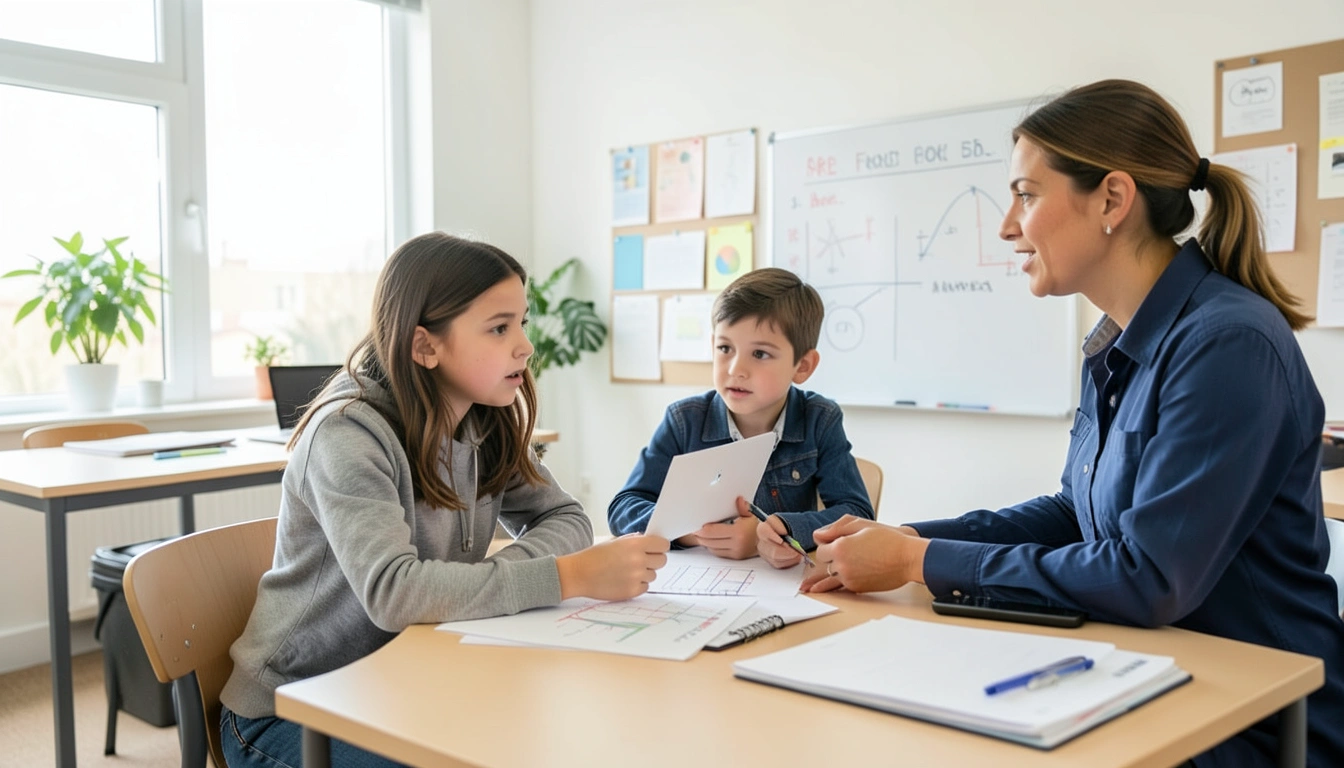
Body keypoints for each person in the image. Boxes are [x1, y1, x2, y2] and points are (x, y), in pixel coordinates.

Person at [801, 79, 1344, 767]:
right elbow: (1074, 515)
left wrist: (916, 562)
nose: (1005, 224)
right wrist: (909, 537)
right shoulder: (1119, 339)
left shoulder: (1227, 345)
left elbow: (1146, 574)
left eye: (1026, 195)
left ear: (1113, 200)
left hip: (1254, 724)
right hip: (1151, 678)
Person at [219, 233, 669, 768]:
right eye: (500, 328)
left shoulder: (482, 418)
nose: (524, 345)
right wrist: (565, 576)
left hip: (409, 679)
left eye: (521, 322)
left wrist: (519, 576)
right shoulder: (347, 435)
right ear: (425, 346)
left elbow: (564, 514)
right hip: (294, 709)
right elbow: (395, 593)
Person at [608, 267, 874, 567]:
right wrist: (688, 532)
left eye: (759, 354)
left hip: (784, 590)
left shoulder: (819, 420)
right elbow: (623, 508)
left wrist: (777, 530)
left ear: (802, 366)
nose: (735, 368)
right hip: (698, 588)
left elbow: (858, 514)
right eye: (725, 348)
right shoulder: (684, 421)